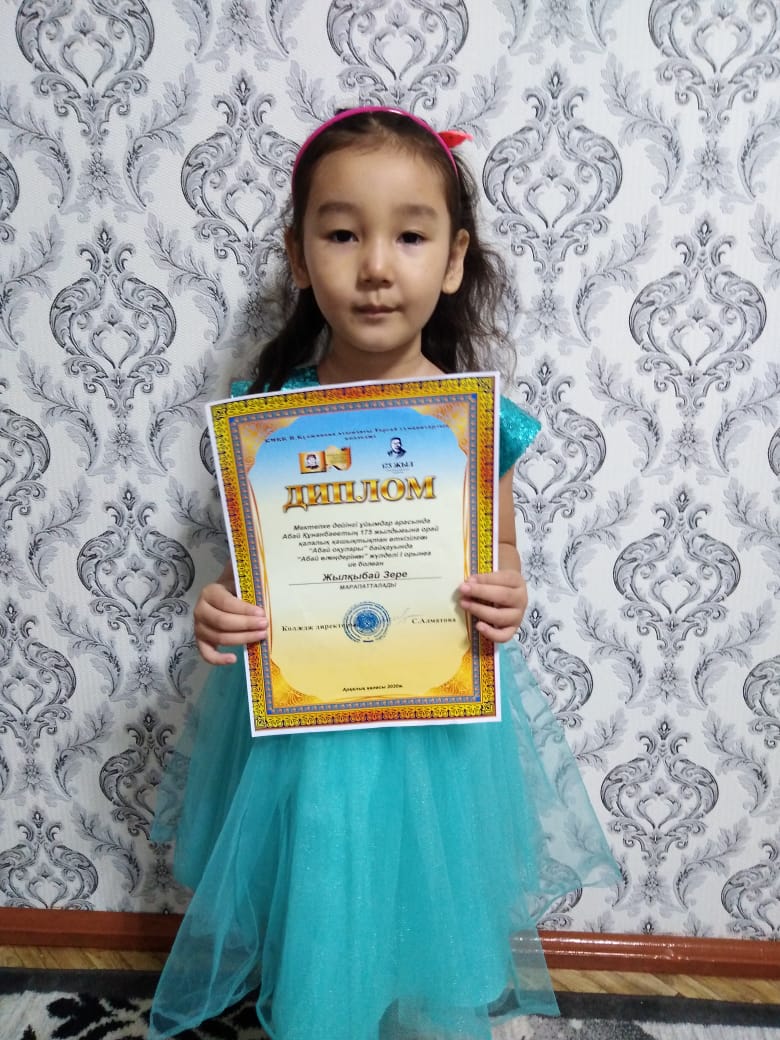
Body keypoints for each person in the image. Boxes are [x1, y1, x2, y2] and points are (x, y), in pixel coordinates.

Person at [149, 107, 619, 1040]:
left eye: (409, 235)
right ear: (297, 256)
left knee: (427, 882)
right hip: (311, 720)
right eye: (341, 234)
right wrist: (222, 612)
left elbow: (503, 554)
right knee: (326, 876)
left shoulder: (475, 422)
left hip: (436, 717)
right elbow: (254, 570)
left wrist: (508, 594)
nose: (374, 265)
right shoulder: (270, 418)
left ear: (452, 261)